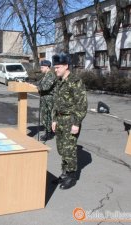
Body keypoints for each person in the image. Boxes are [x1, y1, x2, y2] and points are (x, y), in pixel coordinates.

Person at [51, 53, 87, 190]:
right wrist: (54, 120)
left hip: (70, 120)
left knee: (69, 150)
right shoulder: (60, 82)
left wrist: (76, 123)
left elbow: (82, 104)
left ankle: (71, 177)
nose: (56, 70)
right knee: (61, 149)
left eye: (58, 67)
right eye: (55, 67)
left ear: (66, 66)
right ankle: (64, 173)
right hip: (60, 120)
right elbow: (56, 102)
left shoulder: (75, 81)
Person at [36, 60, 57, 141]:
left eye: (42, 67)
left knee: (47, 116)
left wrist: (37, 87)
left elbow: (45, 87)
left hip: (49, 98)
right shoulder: (46, 75)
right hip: (44, 98)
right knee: (45, 116)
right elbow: (39, 83)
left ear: (47, 67)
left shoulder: (51, 75)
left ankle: (49, 133)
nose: (41, 68)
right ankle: (48, 131)